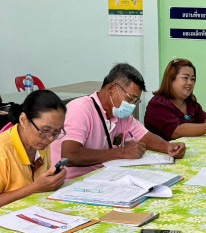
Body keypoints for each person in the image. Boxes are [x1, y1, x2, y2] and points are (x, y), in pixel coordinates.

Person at [51, 63, 186, 181]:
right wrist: (122, 152)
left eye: (136, 101)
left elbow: (145, 136)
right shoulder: (81, 109)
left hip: (103, 178)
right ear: (111, 89)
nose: (132, 106)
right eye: (130, 99)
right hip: (71, 182)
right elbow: (70, 155)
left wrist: (168, 147)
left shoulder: (121, 116)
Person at [144, 58, 206, 141]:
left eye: (193, 79)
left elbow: (205, 118)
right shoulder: (158, 104)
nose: (190, 83)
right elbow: (176, 131)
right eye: (185, 78)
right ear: (171, 79)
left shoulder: (189, 102)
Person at [0, 90, 67, 207]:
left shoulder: (41, 143)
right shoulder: (3, 150)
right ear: (23, 120)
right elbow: (35, 188)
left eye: (57, 131)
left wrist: (52, 181)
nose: (51, 138)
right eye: (45, 130)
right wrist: (35, 188)